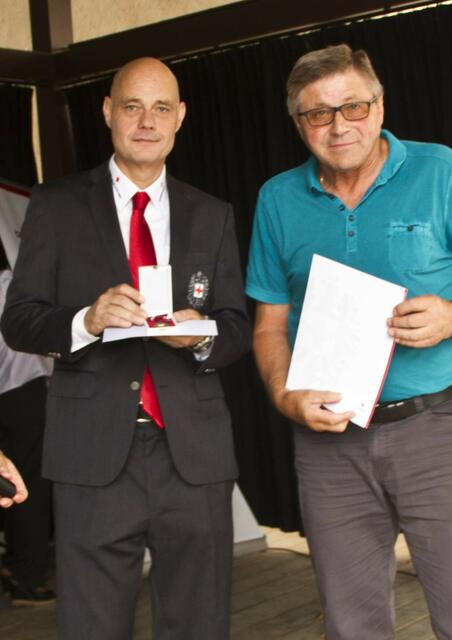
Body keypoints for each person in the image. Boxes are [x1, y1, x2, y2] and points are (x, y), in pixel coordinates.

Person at [246, 43, 452, 639]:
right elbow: (268, 324)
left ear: (380, 105)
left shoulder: (440, 172)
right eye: (319, 113)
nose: (339, 125)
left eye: (354, 107)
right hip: (329, 446)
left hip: (439, 431)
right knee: (351, 626)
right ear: (299, 124)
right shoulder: (277, 199)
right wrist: (286, 396)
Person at [1, 57, 250, 639]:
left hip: (193, 454)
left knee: (199, 623)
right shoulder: (56, 205)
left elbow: (237, 327)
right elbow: (19, 322)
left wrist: (201, 335)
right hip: (91, 452)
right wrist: (85, 321)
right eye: (132, 106)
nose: (147, 121)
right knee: (92, 625)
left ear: (180, 116)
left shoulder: (211, 214)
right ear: (108, 112)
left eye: (161, 108)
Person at [0, 238, 54, 605]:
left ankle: (19, 570)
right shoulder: (11, 285)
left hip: (13, 392)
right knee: (28, 486)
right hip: (23, 392)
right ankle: (27, 578)